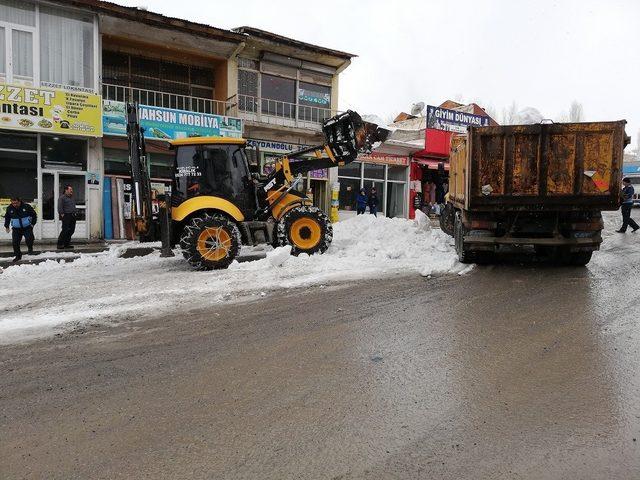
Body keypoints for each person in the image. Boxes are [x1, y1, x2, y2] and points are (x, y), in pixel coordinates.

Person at [4, 196, 37, 262]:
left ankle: (30, 248)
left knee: (29, 238)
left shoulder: (26, 206)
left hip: (27, 227)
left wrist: (32, 224)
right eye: (13, 203)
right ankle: (18, 256)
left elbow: (34, 215)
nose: (14, 205)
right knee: (15, 242)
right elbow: (7, 217)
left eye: (16, 203)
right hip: (16, 229)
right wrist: (7, 226)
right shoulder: (9, 208)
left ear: (19, 201)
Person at [57, 184, 77, 249]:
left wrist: (75, 212)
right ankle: (59, 244)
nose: (72, 190)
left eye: (72, 189)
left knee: (71, 230)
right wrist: (62, 214)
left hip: (73, 215)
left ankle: (66, 244)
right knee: (65, 230)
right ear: (66, 190)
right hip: (66, 215)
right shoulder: (62, 198)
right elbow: (60, 207)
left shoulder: (72, 197)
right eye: (70, 189)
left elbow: (73, 206)